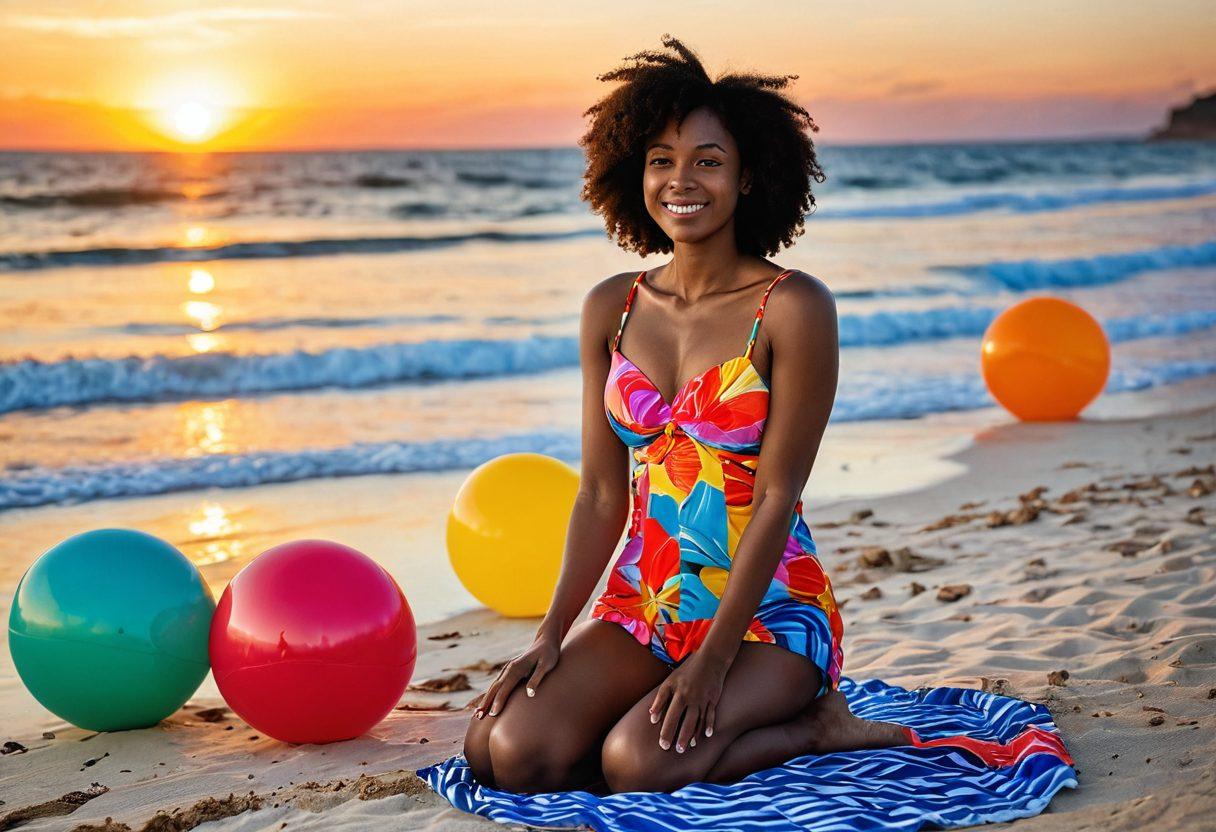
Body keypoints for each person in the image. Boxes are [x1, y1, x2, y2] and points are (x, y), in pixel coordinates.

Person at [462, 34, 910, 796]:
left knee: (637, 766)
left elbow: (775, 496)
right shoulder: (612, 306)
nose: (681, 180)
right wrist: (552, 633)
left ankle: (815, 725)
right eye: (661, 159)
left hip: (768, 611)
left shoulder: (793, 308)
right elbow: (602, 494)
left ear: (746, 177)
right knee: (505, 751)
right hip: (645, 601)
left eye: (708, 160)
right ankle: (631, 708)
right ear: (632, 172)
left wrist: (713, 660)